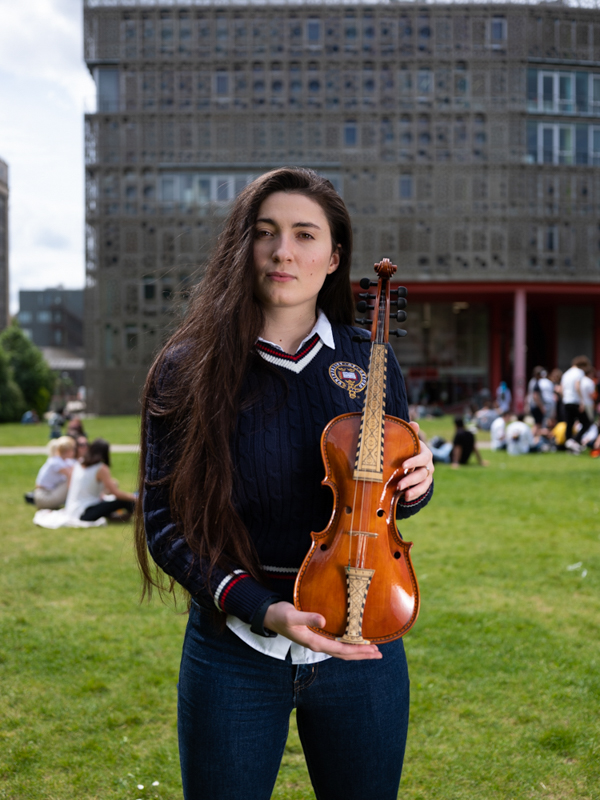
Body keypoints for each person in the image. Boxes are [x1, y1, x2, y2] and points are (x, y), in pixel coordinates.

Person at [135, 167, 435, 800]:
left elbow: (382, 502)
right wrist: (258, 607)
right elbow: (164, 526)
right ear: (242, 247)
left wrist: (418, 480)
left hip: (362, 643)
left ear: (333, 257)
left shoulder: (369, 359)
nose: (283, 251)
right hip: (234, 652)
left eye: (305, 234)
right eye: (266, 232)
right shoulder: (188, 367)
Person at [33, 438, 136, 528]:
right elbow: (116, 493)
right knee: (123, 501)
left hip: (72, 509)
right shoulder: (101, 468)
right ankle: (139, 515)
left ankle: (124, 516)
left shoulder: (79, 463)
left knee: (118, 500)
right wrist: (135, 497)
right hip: (84, 512)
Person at [32, 435, 77, 509]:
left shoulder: (64, 461)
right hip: (44, 497)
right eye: (73, 449)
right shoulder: (56, 462)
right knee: (72, 479)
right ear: (68, 451)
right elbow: (72, 475)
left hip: (49, 493)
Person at [561, 355, 591, 451]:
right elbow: (577, 386)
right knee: (586, 423)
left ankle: (569, 444)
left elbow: (561, 389)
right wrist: (581, 401)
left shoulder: (566, 373)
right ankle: (575, 441)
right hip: (575, 401)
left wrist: (564, 398)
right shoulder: (579, 372)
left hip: (566, 401)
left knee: (569, 424)